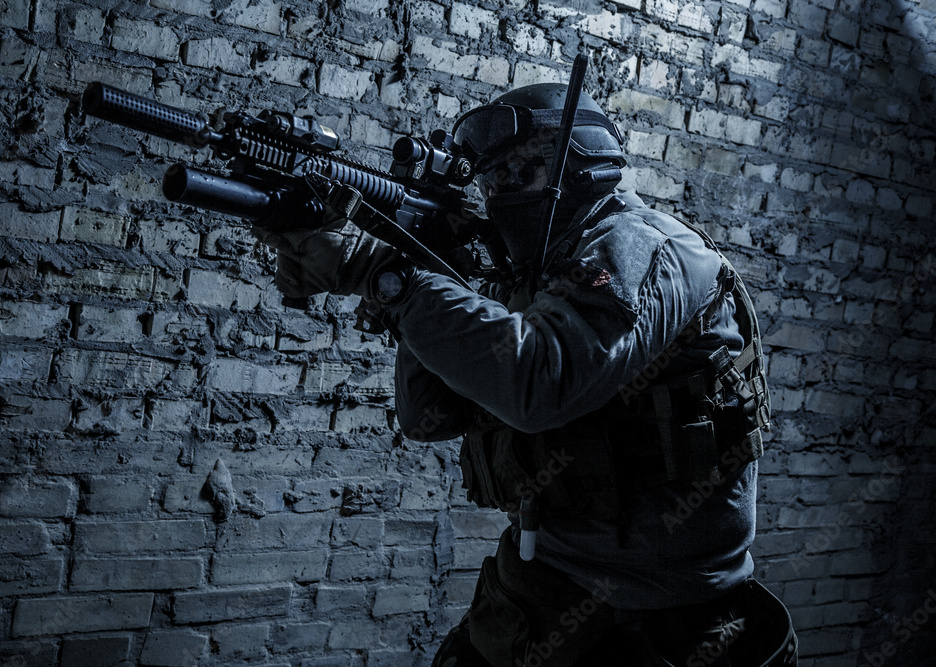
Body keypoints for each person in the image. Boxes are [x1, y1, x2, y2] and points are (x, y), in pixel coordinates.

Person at [257, 83, 798, 666]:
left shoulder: (643, 247)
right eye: (492, 182)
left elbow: (538, 385)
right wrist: (428, 269)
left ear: (586, 160)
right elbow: (427, 417)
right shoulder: (540, 275)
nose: (501, 196)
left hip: (660, 624)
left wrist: (386, 276)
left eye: (521, 173)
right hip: (534, 593)